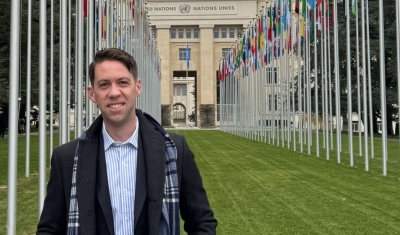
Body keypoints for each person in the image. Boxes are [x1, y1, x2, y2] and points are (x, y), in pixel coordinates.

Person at [37, 48, 217, 235]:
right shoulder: (66, 158)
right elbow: (49, 229)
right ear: (92, 93)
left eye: (122, 82)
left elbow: (202, 222)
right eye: (104, 84)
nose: (114, 93)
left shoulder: (175, 150)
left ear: (137, 87)